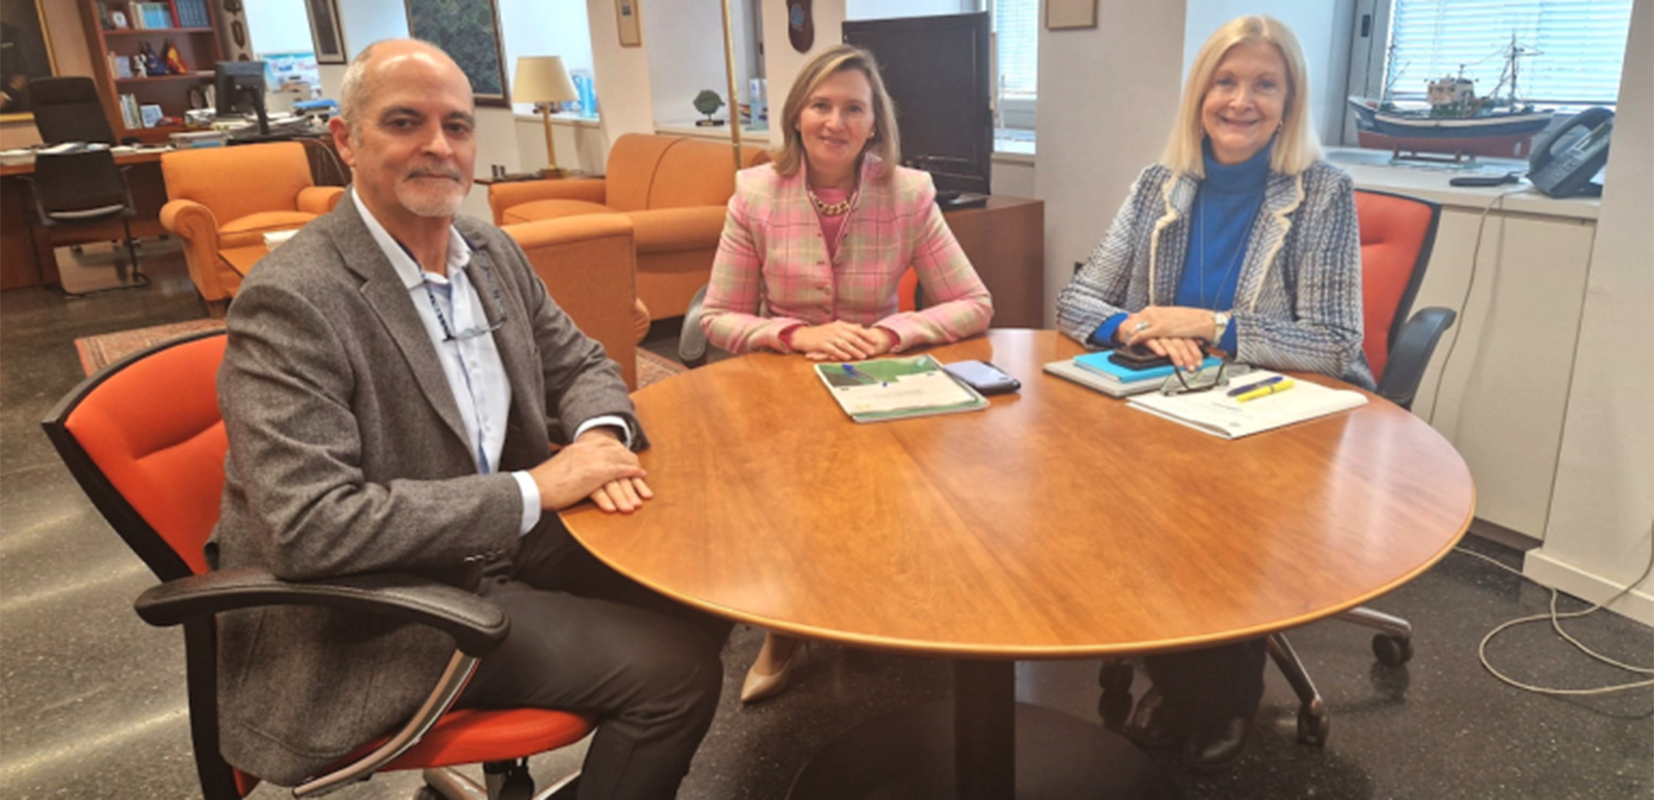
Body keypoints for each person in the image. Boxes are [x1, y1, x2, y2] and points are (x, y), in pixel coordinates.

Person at [211, 39, 729, 798]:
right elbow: (311, 527)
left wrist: (596, 439)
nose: (438, 146)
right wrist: (536, 488)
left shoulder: (486, 251)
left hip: (496, 543)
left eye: (456, 125)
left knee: (707, 582)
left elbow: (581, 363)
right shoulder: (292, 297)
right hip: (383, 602)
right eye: (405, 122)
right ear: (346, 139)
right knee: (675, 674)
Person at [1055, 16, 1372, 771]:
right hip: (1172, 400)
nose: (1241, 100)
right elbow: (1075, 301)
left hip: (1278, 411)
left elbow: (1335, 342)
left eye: (1265, 84)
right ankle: (1175, 674)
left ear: (1289, 102)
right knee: (1122, 490)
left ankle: (1223, 692)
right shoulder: (1158, 185)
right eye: (1225, 82)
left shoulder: (1322, 193)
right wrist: (1137, 325)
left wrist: (1211, 324)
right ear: (1200, 95)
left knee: (1222, 511)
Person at [700, 43, 993, 703]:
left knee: (886, 499)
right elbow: (717, 317)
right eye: (821, 105)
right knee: (790, 497)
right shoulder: (755, 193)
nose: (835, 122)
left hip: (877, 378)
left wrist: (891, 333)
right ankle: (785, 627)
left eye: (853, 108)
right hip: (783, 382)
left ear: (873, 122)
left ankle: (871, 606)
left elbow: (974, 303)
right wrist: (796, 333)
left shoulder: (908, 191)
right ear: (796, 115)